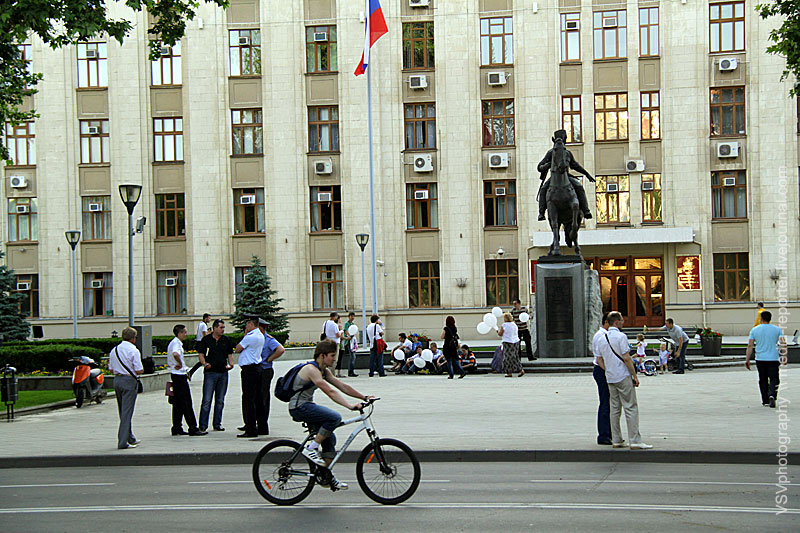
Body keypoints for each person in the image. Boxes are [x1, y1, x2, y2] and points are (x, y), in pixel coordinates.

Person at [291, 340, 374, 491]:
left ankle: (326, 476)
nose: (335, 359)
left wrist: (364, 397)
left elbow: (342, 386)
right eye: (332, 355)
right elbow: (330, 391)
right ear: (322, 356)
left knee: (330, 439)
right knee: (334, 418)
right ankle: (311, 448)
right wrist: (349, 406)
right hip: (299, 407)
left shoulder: (324, 371)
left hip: (307, 406)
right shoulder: (311, 369)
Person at [598, 311, 653, 449]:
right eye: (622, 320)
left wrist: (608, 370)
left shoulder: (601, 338)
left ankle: (616, 439)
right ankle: (635, 440)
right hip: (622, 375)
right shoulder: (621, 337)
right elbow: (627, 357)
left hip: (610, 377)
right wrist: (634, 375)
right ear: (616, 322)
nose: (623, 322)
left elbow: (599, 359)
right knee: (630, 407)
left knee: (615, 409)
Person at [536, 129, 595, 221]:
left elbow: (575, 166)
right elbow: (539, 167)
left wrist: (587, 174)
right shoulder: (551, 153)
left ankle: (586, 210)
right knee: (543, 190)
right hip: (554, 178)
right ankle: (541, 213)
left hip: (567, 177)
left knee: (579, 186)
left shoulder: (567, 153)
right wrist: (548, 165)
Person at [168, 324, 206, 436]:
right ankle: (193, 428)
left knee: (178, 403)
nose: (186, 334)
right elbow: (175, 354)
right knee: (186, 402)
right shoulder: (176, 343)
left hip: (177, 375)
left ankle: (176, 427)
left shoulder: (175, 342)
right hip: (179, 375)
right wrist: (180, 363)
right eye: (184, 332)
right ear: (179, 333)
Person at [197, 319, 234, 432]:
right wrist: (204, 363)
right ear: (214, 328)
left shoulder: (226, 340)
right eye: (221, 327)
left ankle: (217, 423)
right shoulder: (206, 340)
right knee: (207, 400)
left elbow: (229, 354)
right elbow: (201, 354)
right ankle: (203, 424)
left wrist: (231, 364)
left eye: (224, 328)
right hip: (210, 373)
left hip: (223, 373)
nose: (223, 330)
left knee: (220, 400)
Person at [109, 327, 143, 449]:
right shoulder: (133, 350)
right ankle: (123, 442)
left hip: (117, 380)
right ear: (133, 338)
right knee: (127, 412)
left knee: (122, 410)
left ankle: (130, 437)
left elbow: (111, 369)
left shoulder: (114, 350)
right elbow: (139, 370)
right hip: (129, 380)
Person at [745, 311, 786, 408]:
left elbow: (750, 345)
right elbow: (783, 343)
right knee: (774, 378)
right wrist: (784, 356)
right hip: (773, 358)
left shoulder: (754, 330)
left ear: (761, 318)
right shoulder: (777, 329)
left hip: (760, 358)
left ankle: (765, 400)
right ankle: (772, 394)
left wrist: (747, 359)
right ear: (770, 319)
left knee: (763, 379)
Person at [233, 316, 265, 438]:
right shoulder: (260, 335)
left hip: (249, 370)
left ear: (251, 324)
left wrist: (245, 335)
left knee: (248, 399)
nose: (246, 327)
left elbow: (237, 349)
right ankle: (260, 426)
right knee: (257, 398)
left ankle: (250, 428)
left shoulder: (250, 337)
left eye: (247, 324)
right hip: (257, 368)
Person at [257, 318, 285, 435]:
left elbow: (280, 349)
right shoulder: (255, 338)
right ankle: (252, 422)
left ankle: (263, 424)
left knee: (263, 397)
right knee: (254, 397)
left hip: (265, 370)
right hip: (256, 370)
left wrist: (269, 359)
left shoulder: (268, 340)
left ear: (262, 329)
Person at [591, 312, 612, 445]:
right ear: (606, 323)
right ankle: (604, 434)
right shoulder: (601, 336)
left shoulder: (603, 335)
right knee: (605, 403)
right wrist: (609, 372)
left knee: (608, 403)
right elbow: (600, 359)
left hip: (603, 370)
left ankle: (608, 432)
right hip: (602, 371)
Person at [498, 312, 524, 377]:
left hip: (507, 342)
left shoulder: (504, 325)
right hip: (515, 341)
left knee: (507, 357)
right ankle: (520, 369)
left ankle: (509, 372)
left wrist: (497, 331)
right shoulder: (514, 324)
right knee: (515, 356)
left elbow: (500, 334)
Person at [342, 312, 359, 377]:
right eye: (351, 316)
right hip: (349, 342)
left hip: (352, 341)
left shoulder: (353, 324)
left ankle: (352, 371)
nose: (352, 317)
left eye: (353, 316)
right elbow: (346, 331)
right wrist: (349, 335)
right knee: (352, 357)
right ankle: (350, 371)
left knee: (353, 357)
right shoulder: (347, 324)